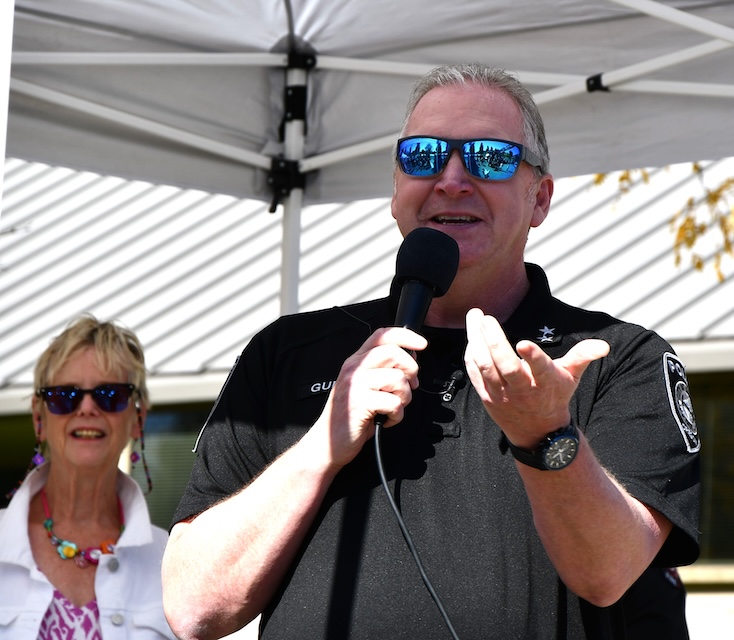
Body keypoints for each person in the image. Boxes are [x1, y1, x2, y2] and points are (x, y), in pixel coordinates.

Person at [161, 64, 701, 640]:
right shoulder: (287, 350)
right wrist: (321, 445)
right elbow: (194, 606)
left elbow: (611, 573)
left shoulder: (611, 358)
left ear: (539, 198)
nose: (450, 179)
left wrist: (546, 436)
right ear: (396, 188)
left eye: (488, 157)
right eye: (422, 155)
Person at [0, 315, 176, 639]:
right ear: (39, 417)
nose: (86, 408)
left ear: (137, 418)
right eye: (65, 396)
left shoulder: (171, 561)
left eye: (110, 395)